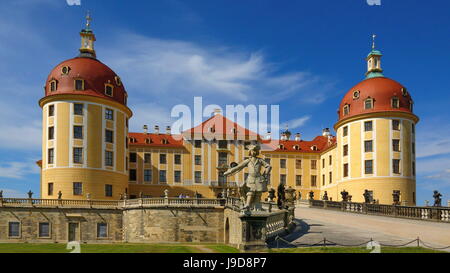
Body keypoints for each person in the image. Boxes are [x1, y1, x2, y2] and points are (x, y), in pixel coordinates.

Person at [224, 144, 272, 211]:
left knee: (258, 194)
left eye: (255, 151)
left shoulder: (260, 160)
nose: (254, 152)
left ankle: (257, 207)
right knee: (250, 192)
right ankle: (247, 205)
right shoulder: (248, 161)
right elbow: (238, 167)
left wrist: (265, 175)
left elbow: (268, 166)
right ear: (250, 152)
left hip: (258, 178)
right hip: (251, 178)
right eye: (252, 151)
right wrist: (228, 172)